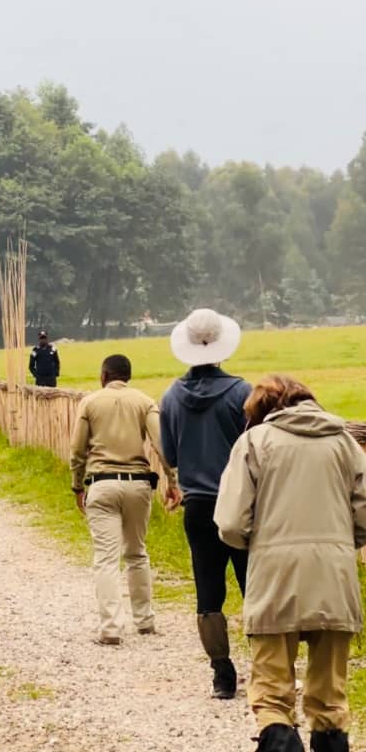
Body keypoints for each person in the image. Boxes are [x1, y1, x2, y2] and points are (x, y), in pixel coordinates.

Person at [216, 376, 366, 752]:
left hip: (274, 576)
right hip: (335, 575)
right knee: (331, 697)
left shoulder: (254, 442)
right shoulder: (345, 443)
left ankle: (280, 742)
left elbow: (232, 522)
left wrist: (260, 545)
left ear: (261, 411)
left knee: (271, 692)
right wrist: (342, 546)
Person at [159, 308, 252, 699]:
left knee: (208, 588)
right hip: (242, 501)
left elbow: (171, 455)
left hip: (197, 505)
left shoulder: (171, 397)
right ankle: (267, 664)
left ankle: (222, 673)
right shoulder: (242, 393)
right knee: (255, 583)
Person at [69, 354, 179, 645]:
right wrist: (172, 481)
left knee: (106, 559)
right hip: (138, 485)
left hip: (102, 485)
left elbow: (77, 451)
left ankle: (111, 628)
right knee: (137, 552)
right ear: (128, 376)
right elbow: (160, 445)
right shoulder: (144, 402)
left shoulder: (90, 403)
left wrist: (77, 486)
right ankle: (144, 620)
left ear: (104, 375)